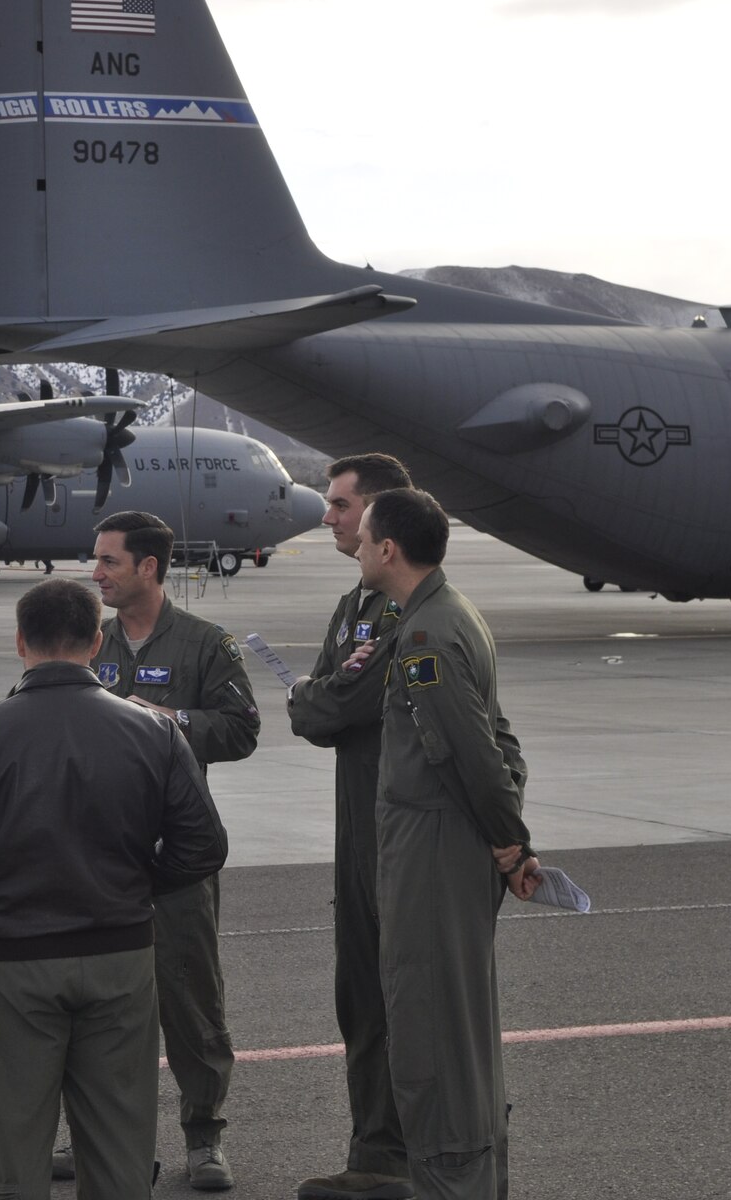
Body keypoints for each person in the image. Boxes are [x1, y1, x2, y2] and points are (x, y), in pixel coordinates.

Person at [0, 577, 229, 1200]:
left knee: (11, 1145)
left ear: (21, 641)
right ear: (97, 641)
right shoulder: (153, 732)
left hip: (14, 958)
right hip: (121, 954)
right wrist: (134, 882)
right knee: (118, 1142)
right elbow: (204, 847)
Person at [47, 510, 258, 1192]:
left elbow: (241, 729)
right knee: (99, 1001)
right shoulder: (87, 642)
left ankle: (204, 1136)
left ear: (149, 568)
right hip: (96, 856)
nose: (96, 573)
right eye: (96, 559)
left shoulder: (205, 646)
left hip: (175, 856)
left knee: (190, 996)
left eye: (109, 561)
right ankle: (98, 1136)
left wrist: (173, 720)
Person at [353, 489, 540, 1200]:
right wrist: (506, 839)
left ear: (390, 550)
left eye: (366, 538)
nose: (360, 549)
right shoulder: (452, 613)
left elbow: (471, 752)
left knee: (432, 1043)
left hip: (432, 855)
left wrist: (509, 842)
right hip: (453, 846)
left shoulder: (426, 636)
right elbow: (503, 742)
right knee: (463, 1035)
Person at [286, 454, 424, 1200]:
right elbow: (321, 701)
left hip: (395, 830)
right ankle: (376, 1154)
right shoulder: (355, 606)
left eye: (341, 506)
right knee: (358, 994)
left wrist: (318, 698)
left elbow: (331, 706)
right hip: (358, 821)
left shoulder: (402, 612)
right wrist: (319, 697)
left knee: (399, 996)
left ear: (378, 518)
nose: (330, 517)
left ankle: (405, 1155)